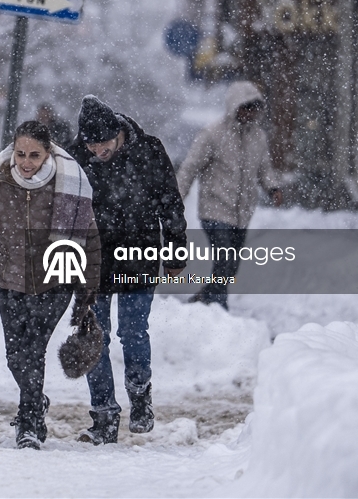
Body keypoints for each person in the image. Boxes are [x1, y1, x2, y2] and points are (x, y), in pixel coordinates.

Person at [0, 120, 100, 450]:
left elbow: (88, 238)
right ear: (12, 151)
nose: (26, 162)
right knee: (14, 356)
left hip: (55, 281)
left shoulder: (68, 182)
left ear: (48, 153)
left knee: (32, 351)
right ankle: (35, 399)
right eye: (21, 154)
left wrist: (87, 290)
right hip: (10, 280)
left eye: (35, 155)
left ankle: (30, 424)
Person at [67, 95, 187, 444]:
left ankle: (140, 396)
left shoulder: (148, 150)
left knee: (133, 332)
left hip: (139, 252)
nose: (98, 152)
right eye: (91, 145)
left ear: (118, 133)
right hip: (92, 260)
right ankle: (103, 416)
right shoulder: (76, 159)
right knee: (93, 338)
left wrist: (176, 249)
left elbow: (169, 200)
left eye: (103, 145)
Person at [177, 81, 282, 309]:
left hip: (242, 212)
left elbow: (264, 168)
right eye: (246, 107)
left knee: (231, 265)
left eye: (254, 108)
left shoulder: (258, 138)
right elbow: (190, 167)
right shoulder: (212, 134)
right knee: (224, 260)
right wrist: (177, 198)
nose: (250, 113)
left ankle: (206, 296)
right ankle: (218, 307)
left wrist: (273, 187)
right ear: (234, 106)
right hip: (214, 208)